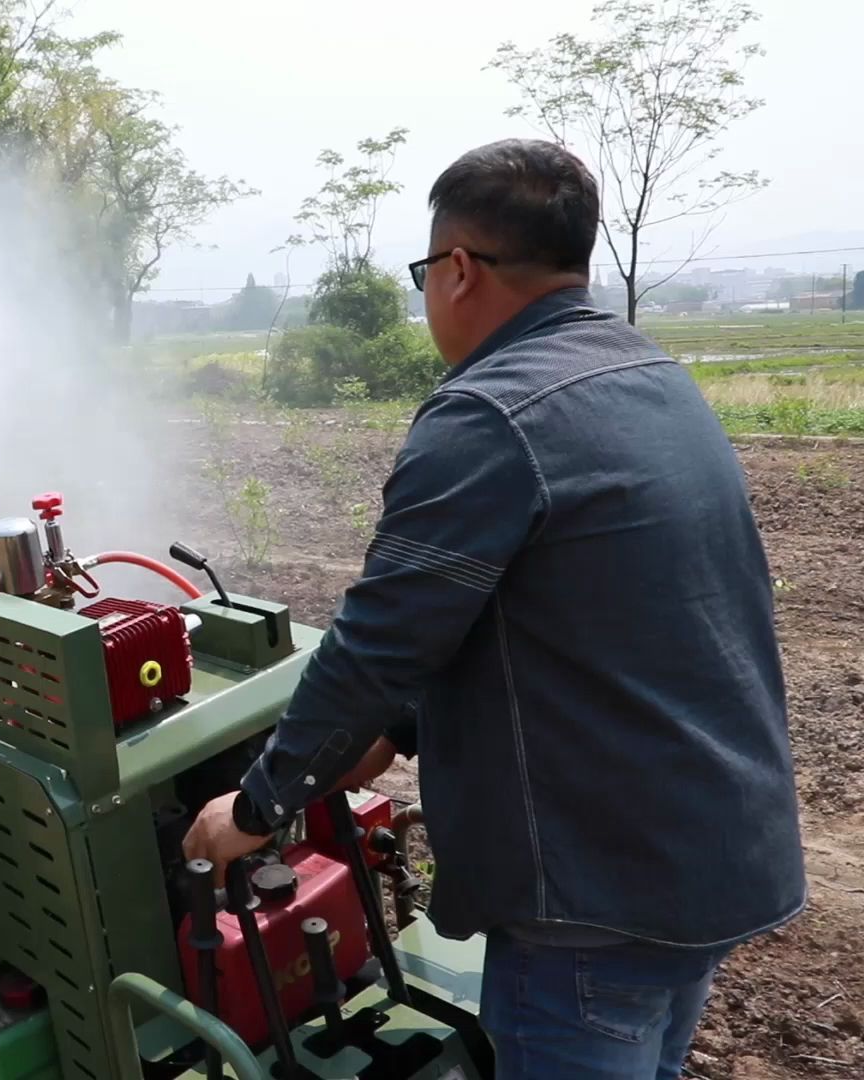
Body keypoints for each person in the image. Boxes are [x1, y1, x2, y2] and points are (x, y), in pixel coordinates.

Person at [181, 138, 805, 1079]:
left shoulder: (490, 415)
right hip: (710, 858)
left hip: (593, 905)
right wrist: (405, 725)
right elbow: (569, 615)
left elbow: (373, 648)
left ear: (459, 269)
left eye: (427, 272)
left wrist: (258, 809)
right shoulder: (651, 377)